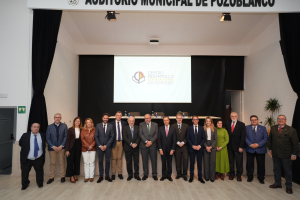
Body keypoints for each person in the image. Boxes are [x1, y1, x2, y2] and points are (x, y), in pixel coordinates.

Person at [269, 115, 299, 194]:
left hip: (287, 154)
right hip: (275, 154)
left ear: (285, 120)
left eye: (282, 119)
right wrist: (270, 149)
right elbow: (270, 140)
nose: (281, 120)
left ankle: (289, 186)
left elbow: (295, 144)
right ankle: (278, 183)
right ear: (277, 120)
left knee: (287, 171)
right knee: (276, 169)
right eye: (279, 118)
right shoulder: (273, 128)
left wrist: (294, 154)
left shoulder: (291, 130)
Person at [19, 123, 46, 190]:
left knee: (39, 171)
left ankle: (40, 183)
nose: (36, 128)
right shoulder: (25, 135)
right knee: (25, 172)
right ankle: (25, 184)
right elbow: (20, 143)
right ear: (31, 128)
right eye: (34, 127)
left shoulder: (42, 135)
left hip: (38, 157)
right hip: (27, 158)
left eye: (38, 127)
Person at [245, 115, 268, 184]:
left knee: (261, 165)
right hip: (250, 148)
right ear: (250, 121)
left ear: (257, 120)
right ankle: (250, 177)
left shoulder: (263, 128)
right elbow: (244, 137)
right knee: (249, 164)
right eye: (252, 120)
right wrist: (250, 144)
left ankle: (261, 178)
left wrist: (258, 144)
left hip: (260, 149)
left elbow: (265, 138)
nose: (254, 121)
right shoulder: (246, 128)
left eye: (255, 119)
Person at [46, 113, 68, 184]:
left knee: (62, 162)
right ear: (54, 118)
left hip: (61, 147)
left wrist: (61, 145)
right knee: (52, 163)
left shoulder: (64, 126)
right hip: (52, 148)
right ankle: (51, 177)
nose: (57, 118)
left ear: (61, 118)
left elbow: (65, 136)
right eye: (56, 117)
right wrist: (53, 146)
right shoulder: (49, 127)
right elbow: (47, 138)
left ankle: (62, 177)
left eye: (59, 117)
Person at [225, 112, 246, 182]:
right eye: (232, 116)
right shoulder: (227, 124)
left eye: (235, 116)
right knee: (231, 162)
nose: (233, 117)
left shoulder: (241, 124)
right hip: (229, 146)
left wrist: (241, 146)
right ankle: (231, 174)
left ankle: (239, 175)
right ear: (230, 117)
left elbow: (243, 136)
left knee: (239, 162)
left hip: (238, 147)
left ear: (237, 117)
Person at [95, 113, 114, 183]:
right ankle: (101, 176)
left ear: (108, 119)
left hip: (107, 147)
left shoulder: (111, 126)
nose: (105, 119)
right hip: (100, 147)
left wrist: (106, 145)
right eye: (104, 118)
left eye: (107, 118)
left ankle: (107, 176)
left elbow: (112, 136)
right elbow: (96, 136)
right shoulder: (98, 125)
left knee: (108, 161)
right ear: (102, 118)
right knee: (100, 161)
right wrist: (100, 145)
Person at [187, 115, 206, 183]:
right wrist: (192, 145)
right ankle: (191, 176)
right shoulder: (189, 128)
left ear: (198, 120)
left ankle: (200, 177)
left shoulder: (201, 128)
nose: (195, 120)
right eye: (194, 119)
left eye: (196, 119)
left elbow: (204, 138)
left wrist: (200, 145)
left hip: (199, 149)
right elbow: (188, 138)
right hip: (192, 148)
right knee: (192, 163)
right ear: (192, 120)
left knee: (199, 163)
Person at [139, 114, 158, 181]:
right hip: (144, 145)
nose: (146, 119)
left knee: (154, 161)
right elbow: (140, 134)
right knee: (145, 161)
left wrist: (151, 142)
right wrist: (146, 141)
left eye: (148, 118)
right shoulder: (141, 124)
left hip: (152, 145)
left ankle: (154, 174)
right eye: (145, 118)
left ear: (151, 118)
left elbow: (156, 134)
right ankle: (145, 174)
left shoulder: (155, 124)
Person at [109, 111, 127, 180]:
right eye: (117, 115)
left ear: (121, 116)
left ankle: (120, 173)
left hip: (121, 143)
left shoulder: (124, 123)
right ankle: (113, 174)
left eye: (120, 115)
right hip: (114, 142)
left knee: (119, 158)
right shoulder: (111, 124)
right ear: (115, 116)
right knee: (113, 159)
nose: (119, 116)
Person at [122, 116, 141, 181]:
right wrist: (131, 144)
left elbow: (139, 137)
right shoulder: (125, 128)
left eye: (132, 121)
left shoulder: (137, 127)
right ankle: (130, 175)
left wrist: (135, 143)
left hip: (136, 147)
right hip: (128, 147)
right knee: (129, 162)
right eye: (130, 120)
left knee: (136, 162)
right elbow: (125, 137)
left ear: (134, 121)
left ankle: (136, 175)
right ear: (128, 121)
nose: (131, 122)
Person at [158, 116, 176, 181]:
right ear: (163, 121)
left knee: (169, 163)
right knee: (163, 163)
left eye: (166, 120)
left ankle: (169, 176)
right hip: (162, 149)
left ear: (169, 121)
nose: (165, 121)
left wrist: (173, 149)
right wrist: (160, 149)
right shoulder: (160, 128)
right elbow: (159, 140)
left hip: (170, 149)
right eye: (164, 120)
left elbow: (174, 140)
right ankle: (163, 176)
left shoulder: (173, 129)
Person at [172, 113, 189, 181]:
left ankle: (184, 175)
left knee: (185, 161)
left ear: (182, 118)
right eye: (178, 118)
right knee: (178, 161)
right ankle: (179, 174)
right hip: (177, 146)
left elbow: (188, 136)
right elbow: (172, 136)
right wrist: (178, 142)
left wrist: (183, 142)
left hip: (184, 146)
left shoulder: (186, 126)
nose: (179, 119)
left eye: (180, 118)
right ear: (176, 119)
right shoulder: (173, 126)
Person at [65, 117, 82, 183]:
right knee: (70, 162)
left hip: (78, 147)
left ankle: (75, 174)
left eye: (79, 121)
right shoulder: (70, 129)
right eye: (76, 121)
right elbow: (68, 140)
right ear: (74, 122)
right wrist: (67, 150)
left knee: (77, 161)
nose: (77, 122)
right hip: (71, 147)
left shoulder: (81, 129)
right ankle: (71, 176)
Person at [81, 118, 96, 182]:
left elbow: (96, 139)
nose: (88, 123)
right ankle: (86, 176)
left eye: (90, 122)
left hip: (93, 149)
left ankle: (91, 176)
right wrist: (88, 146)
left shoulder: (95, 130)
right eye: (87, 122)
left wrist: (91, 146)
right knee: (86, 163)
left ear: (92, 123)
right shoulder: (83, 131)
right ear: (85, 124)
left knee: (92, 162)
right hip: (85, 149)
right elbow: (82, 139)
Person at [203, 117, 218, 182]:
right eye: (207, 121)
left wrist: (211, 146)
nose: (208, 122)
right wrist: (206, 146)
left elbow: (215, 139)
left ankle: (212, 177)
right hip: (205, 146)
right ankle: (206, 176)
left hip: (213, 146)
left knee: (212, 162)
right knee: (206, 163)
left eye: (209, 121)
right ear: (205, 122)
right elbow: (202, 139)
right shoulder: (203, 129)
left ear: (211, 122)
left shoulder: (214, 129)